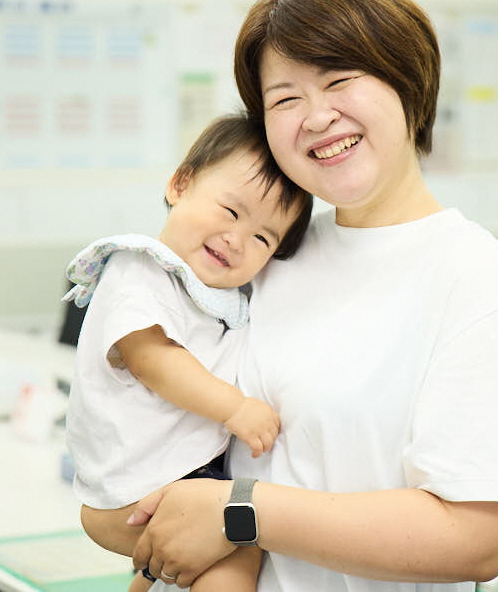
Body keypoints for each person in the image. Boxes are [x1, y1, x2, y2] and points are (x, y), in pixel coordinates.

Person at [84, 0, 498, 592]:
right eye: (285, 99)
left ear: (407, 82)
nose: (317, 117)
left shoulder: (473, 278)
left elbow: (476, 541)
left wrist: (241, 511)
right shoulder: (267, 255)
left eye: (339, 80)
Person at [63, 112, 313, 591]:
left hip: (179, 480)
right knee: (241, 549)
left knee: (173, 569)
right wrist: (235, 408)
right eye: (231, 212)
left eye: (263, 237)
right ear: (180, 185)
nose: (236, 239)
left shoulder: (221, 298)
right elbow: (152, 358)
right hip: (133, 487)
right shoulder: (141, 269)